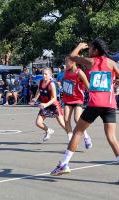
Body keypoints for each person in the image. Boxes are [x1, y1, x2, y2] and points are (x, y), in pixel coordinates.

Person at [51, 39, 119, 176]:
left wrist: (79, 46)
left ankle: (64, 164)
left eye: (90, 48)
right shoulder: (112, 63)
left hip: (95, 104)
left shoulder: (90, 61)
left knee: (78, 132)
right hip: (110, 105)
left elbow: (71, 57)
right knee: (112, 137)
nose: (89, 51)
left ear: (95, 50)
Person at [62, 57, 92, 148]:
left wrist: (94, 97)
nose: (65, 65)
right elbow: (65, 82)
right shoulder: (66, 72)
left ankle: (86, 137)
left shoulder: (79, 73)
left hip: (78, 99)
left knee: (77, 119)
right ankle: (71, 140)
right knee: (66, 120)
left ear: (73, 63)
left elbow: (88, 87)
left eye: (67, 63)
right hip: (67, 99)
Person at [30, 67, 66, 142]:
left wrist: (46, 104)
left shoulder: (52, 84)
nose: (44, 76)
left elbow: (54, 98)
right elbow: (39, 91)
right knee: (38, 123)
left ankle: (71, 136)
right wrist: (35, 99)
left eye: (46, 74)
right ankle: (48, 130)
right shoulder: (40, 82)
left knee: (62, 124)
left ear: (50, 75)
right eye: (43, 74)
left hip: (53, 105)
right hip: (45, 105)